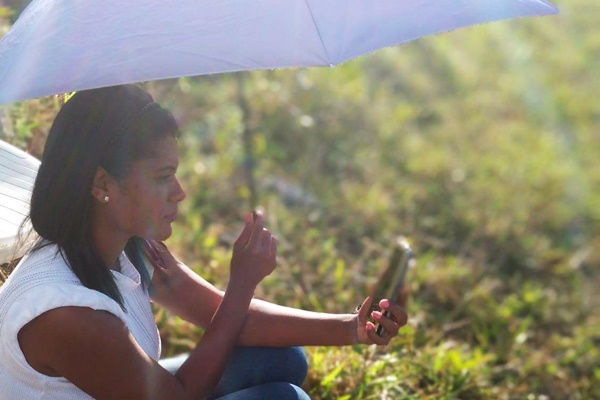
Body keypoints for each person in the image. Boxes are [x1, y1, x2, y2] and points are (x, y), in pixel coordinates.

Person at [0, 84, 408, 400]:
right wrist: (243, 283)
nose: (179, 192)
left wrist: (353, 327)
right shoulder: (67, 314)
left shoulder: (125, 244)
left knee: (283, 357)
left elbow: (222, 314)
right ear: (103, 183)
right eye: (163, 177)